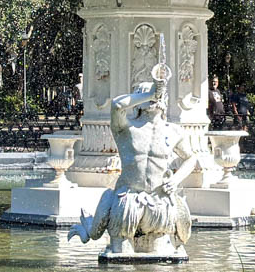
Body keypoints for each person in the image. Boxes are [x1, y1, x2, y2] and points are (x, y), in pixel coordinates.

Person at [68, 73, 198, 258]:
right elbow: (116, 105)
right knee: (121, 258)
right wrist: (150, 93)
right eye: (147, 95)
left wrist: (176, 180)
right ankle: (90, 228)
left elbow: (191, 158)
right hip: (127, 201)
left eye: (157, 95)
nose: (155, 98)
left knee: (161, 260)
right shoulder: (126, 128)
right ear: (138, 101)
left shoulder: (174, 131)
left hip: (159, 201)